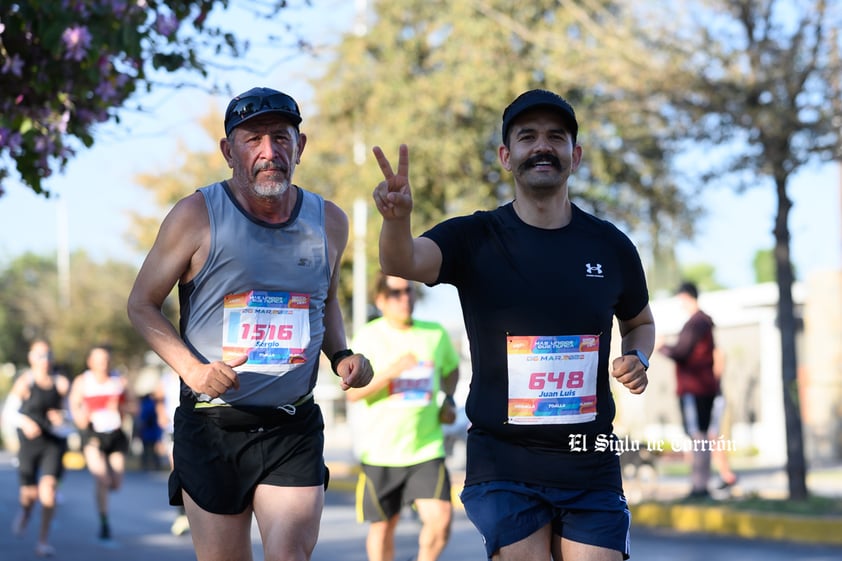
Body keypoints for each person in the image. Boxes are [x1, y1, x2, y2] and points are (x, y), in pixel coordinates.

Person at [372, 88, 655, 561]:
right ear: (507, 156)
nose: (542, 146)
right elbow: (402, 260)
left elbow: (640, 321)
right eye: (527, 137)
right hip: (504, 459)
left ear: (575, 155)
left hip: (590, 457)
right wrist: (396, 220)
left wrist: (638, 356)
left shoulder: (610, 246)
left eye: (555, 137)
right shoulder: (474, 237)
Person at [126, 86, 374, 561]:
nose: (269, 152)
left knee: (290, 555)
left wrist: (341, 354)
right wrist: (193, 371)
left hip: (291, 424)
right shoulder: (195, 215)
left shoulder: (330, 221)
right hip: (213, 424)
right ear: (228, 151)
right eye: (252, 139)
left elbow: (323, 298)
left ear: (300, 147)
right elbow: (142, 304)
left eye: (281, 138)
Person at [347, 272, 460, 561]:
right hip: (381, 451)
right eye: (396, 293)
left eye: (408, 292)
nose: (405, 298)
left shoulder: (434, 333)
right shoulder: (369, 335)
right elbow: (353, 393)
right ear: (380, 300)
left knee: (441, 519)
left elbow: (451, 370)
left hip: (426, 447)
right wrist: (392, 372)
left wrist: (447, 400)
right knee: (384, 528)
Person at [657, 281, 725, 499]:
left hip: (694, 387)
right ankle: (701, 484)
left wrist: (661, 347)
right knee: (702, 435)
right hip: (705, 387)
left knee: (698, 436)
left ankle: (699, 486)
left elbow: (681, 351)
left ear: (687, 297)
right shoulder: (704, 322)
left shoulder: (696, 323)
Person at [10, 339, 71, 557]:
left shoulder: (61, 384)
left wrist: (62, 418)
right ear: (30, 358)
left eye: (47, 355)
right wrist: (25, 423)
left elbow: (71, 418)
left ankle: (43, 541)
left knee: (48, 492)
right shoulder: (24, 382)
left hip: (53, 444)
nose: (44, 361)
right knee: (29, 495)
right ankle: (26, 512)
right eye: (39, 356)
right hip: (29, 445)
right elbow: (8, 413)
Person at [69, 344, 135, 541]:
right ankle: (104, 521)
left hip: (115, 435)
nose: (103, 364)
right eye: (98, 361)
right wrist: (82, 416)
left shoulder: (120, 380)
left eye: (106, 360)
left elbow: (135, 407)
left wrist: (121, 406)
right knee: (102, 478)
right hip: (93, 435)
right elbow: (74, 407)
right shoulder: (83, 382)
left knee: (116, 484)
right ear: (90, 362)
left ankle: (106, 494)